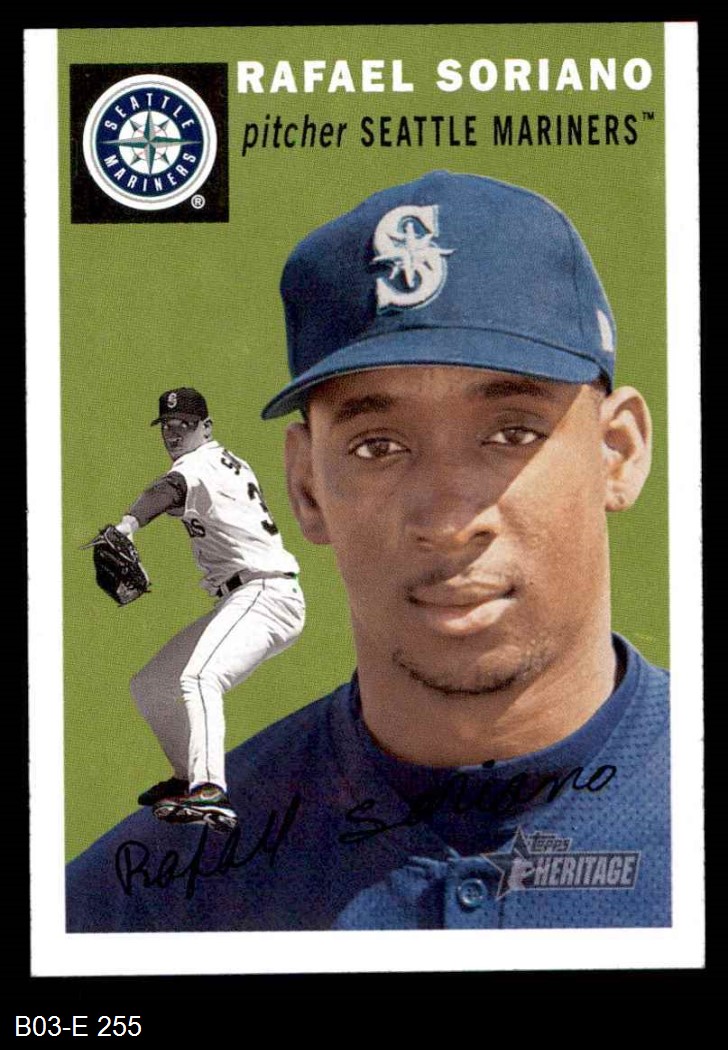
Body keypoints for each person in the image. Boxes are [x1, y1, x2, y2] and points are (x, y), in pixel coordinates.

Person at [67, 171, 670, 931]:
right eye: (378, 445)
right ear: (307, 487)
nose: (448, 520)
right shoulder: (130, 907)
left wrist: (126, 526)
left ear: (618, 453)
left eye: (512, 432)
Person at [102, 386, 305, 833]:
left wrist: (127, 526)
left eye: (185, 425)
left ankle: (210, 790)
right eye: (167, 427)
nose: (174, 434)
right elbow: (178, 494)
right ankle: (186, 777)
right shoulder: (221, 463)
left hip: (266, 594)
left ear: (206, 428)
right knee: (152, 685)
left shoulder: (200, 464)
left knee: (199, 677)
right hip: (246, 596)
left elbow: (169, 489)